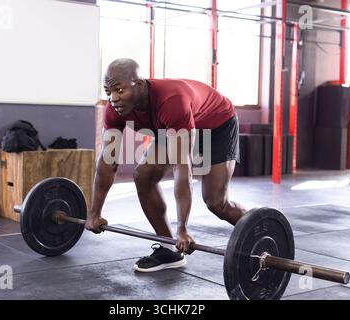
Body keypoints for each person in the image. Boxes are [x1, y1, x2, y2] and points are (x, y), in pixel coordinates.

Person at [85, 58, 247, 272]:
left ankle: (263, 230)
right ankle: (169, 249)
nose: (113, 98)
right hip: (171, 126)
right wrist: (94, 213)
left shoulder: (171, 101)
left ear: (139, 85)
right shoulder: (114, 109)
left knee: (216, 203)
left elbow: (182, 168)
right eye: (108, 92)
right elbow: (107, 162)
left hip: (216, 124)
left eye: (119, 90)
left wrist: (183, 229)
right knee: (143, 176)